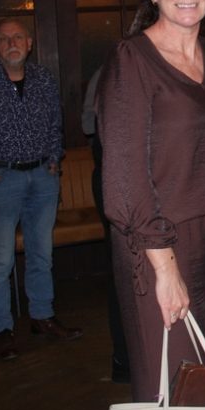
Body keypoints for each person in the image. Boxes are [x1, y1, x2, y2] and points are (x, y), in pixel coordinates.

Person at [96, 0, 205, 402]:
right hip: (161, 241)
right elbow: (124, 179)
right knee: (174, 389)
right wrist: (164, 267)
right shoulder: (131, 60)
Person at [0, 18, 80, 362]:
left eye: (18, 37)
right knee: (0, 260)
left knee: (42, 254)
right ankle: (1, 329)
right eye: (4, 39)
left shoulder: (44, 79)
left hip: (42, 178)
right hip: (1, 181)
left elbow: (55, 125)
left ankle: (42, 316)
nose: (12, 43)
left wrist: (53, 160)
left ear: (29, 43)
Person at [82, 66, 130, 384]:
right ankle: (125, 360)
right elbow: (89, 125)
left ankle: (130, 361)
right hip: (116, 178)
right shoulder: (109, 71)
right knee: (123, 270)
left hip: (128, 178)